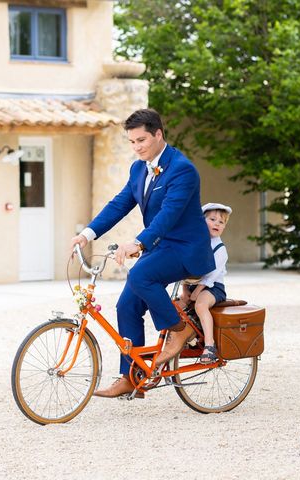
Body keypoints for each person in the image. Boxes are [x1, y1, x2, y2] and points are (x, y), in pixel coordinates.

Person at [70, 108, 214, 398]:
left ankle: (179, 329)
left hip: (187, 249)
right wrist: (88, 234)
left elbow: (169, 215)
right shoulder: (138, 169)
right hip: (162, 246)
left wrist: (138, 243)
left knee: (140, 274)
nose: (137, 147)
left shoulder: (182, 169)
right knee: (127, 305)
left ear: (158, 135)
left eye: (142, 140)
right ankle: (130, 375)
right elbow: (119, 204)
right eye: (132, 142)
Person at [180, 203, 231, 364]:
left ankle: (210, 345)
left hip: (213, 287)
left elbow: (211, 274)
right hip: (194, 285)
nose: (217, 223)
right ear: (202, 221)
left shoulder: (219, 248)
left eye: (221, 222)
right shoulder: (195, 243)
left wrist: (197, 291)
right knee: (177, 306)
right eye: (212, 219)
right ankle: (185, 339)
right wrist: (185, 289)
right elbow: (185, 267)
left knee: (200, 304)